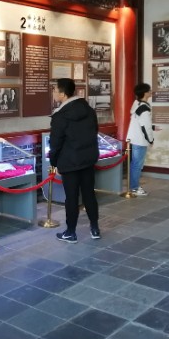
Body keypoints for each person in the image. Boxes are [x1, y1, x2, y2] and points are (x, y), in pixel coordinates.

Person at [49, 78, 101, 243]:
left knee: (71, 198)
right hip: (88, 159)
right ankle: (95, 228)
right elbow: (95, 131)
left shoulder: (60, 116)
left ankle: (71, 232)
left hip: (70, 161)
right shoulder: (89, 110)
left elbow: (55, 143)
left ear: (63, 94)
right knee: (89, 194)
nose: (53, 93)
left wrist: (54, 162)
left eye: (55, 90)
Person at [126, 83, 156, 196]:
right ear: (145, 93)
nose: (151, 92)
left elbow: (140, 123)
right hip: (140, 140)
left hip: (135, 138)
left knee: (135, 164)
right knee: (137, 165)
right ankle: (134, 188)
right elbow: (145, 126)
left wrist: (153, 127)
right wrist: (151, 140)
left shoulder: (137, 104)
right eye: (149, 90)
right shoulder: (144, 108)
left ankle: (133, 186)